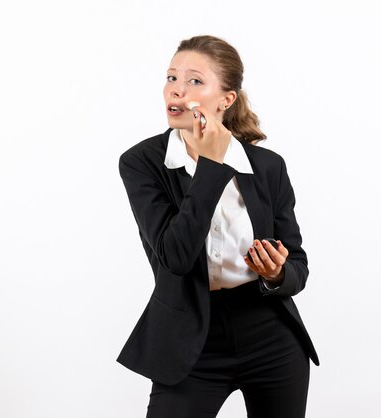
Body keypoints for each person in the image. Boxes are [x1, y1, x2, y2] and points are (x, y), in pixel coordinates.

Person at [117, 35, 319, 418]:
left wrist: (277, 273)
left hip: (271, 335)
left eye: (194, 80)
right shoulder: (142, 163)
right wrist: (211, 166)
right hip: (190, 340)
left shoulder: (267, 166)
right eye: (171, 77)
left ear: (226, 99)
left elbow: (299, 267)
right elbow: (174, 256)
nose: (176, 90)